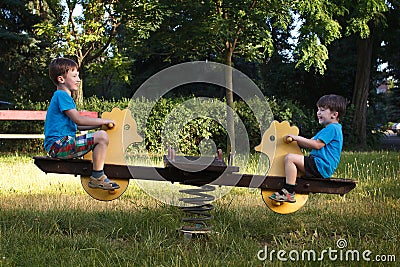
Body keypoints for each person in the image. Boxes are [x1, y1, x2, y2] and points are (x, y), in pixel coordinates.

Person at [44, 57, 119, 190]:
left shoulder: (64, 97)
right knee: (101, 137)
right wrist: (104, 121)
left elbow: (77, 126)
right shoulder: (62, 95)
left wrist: (99, 126)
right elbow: (79, 119)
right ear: (61, 79)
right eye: (74, 76)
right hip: (59, 145)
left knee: (100, 134)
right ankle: (97, 177)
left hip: (61, 144)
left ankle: (98, 175)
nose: (78, 79)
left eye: (78, 75)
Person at [269, 94, 347, 203]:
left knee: (290, 158)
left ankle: (289, 192)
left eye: (322, 110)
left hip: (321, 165)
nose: (318, 113)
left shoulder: (332, 128)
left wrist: (296, 137)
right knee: (294, 157)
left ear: (334, 114)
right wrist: (296, 140)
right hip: (320, 164)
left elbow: (316, 145)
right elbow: (309, 142)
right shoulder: (331, 129)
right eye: (318, 109)